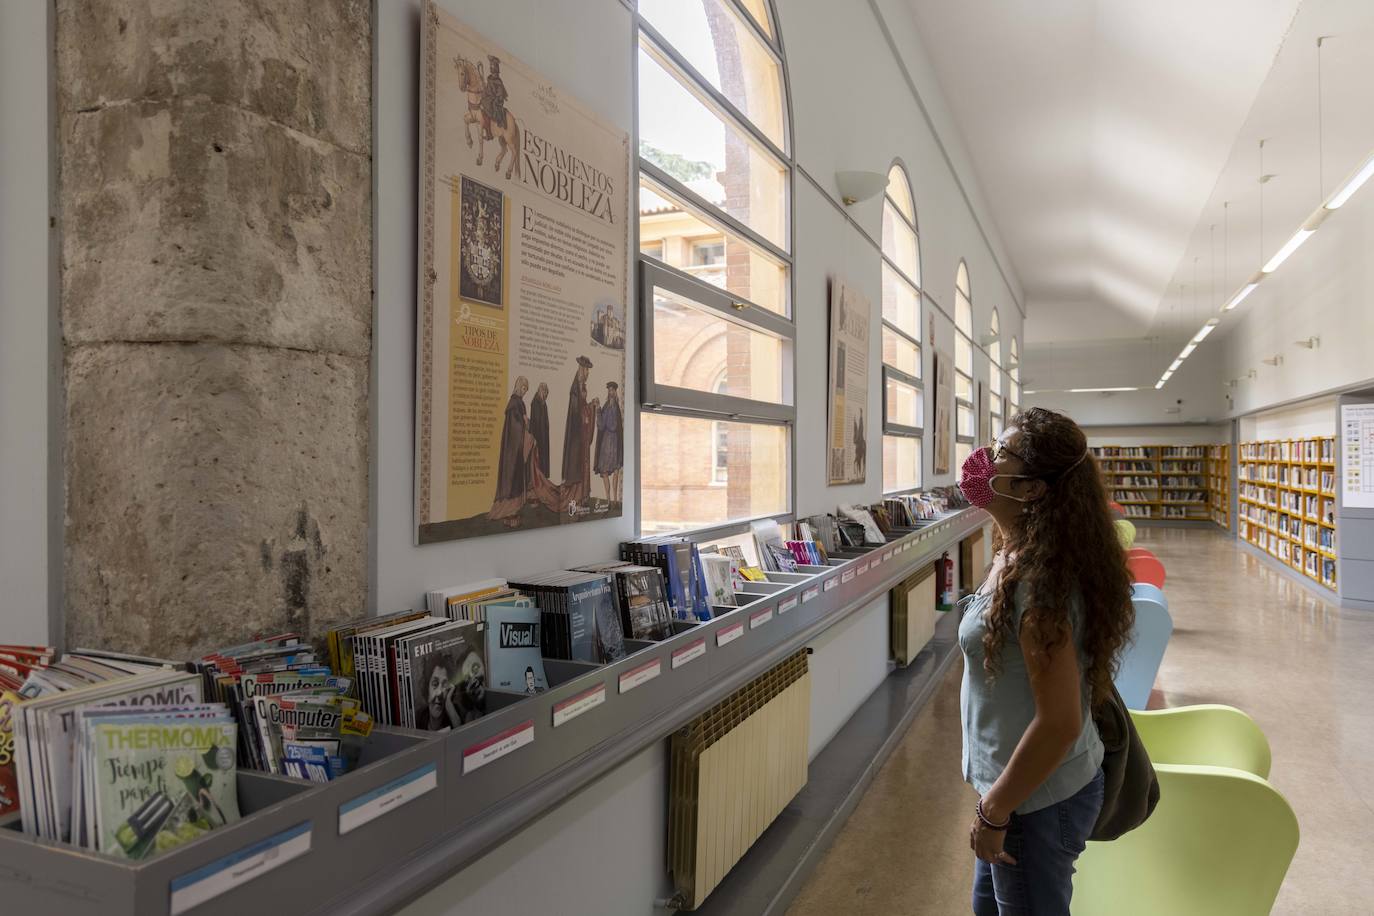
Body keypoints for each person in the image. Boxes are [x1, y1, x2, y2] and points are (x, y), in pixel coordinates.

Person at [956, 407, 1134, 915]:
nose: (984, 461)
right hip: (1015, 790)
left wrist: (995, 812)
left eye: (1002, 453)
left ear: (1032, 489)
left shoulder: (1039, 583)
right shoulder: (1018, 552)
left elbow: (1059, 723)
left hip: (1035, 799)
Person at [488, 377, 531, 526]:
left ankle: (514, 510)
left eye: (526, 389)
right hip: (512, 449)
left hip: (518, 448)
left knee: (517, 478)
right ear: (519, 387)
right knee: (511, 478)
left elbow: (523, 422)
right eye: (524, 388)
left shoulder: (520, 403)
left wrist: (526, 422)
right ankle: (507, 512)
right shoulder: (514, 403)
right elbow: (515, 426)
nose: (525, 392)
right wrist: (524, 422)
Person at [561, 356, 595, 507]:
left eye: (588, 369)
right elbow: (578, 413)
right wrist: (589, 409)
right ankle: (576, 498)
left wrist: (591, 406)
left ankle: (583, 496)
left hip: (582, 435)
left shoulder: (581, 387)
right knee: (578, 465)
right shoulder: (575, 389)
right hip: (577, 436)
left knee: (584, 463)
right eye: (586, 369)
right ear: (581, 369)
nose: (587, 372)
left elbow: (583, 408)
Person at [593, 381, 623, 506]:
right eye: (609, 390)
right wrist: (598, 408)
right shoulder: (606, 406)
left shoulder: (615, 407)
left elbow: (614, 425)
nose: (610, 393)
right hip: (606, 443)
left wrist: (609, 413)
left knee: (616, 470)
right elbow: (600, 425)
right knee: (604, 472)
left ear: (615, 392)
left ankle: (615, 499)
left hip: (614, 442)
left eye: (612, 390)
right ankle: (608, 499)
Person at [416, 658, 463, 731]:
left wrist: (449, 705)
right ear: (426, 688)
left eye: (444, 685)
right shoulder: (419, 718)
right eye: (435, 684)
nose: (439, 693)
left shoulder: (456, 713)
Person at [480, 55, 507, 141]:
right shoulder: (490, 78)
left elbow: (500, 93)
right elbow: (489, 90)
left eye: (492, 66)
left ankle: (489, 133)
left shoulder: (497, 81)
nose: (491, 67)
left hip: (496, 100)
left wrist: (496, 98)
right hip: (490, 98)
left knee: (485, 103)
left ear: (496, 68)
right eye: (490, 65)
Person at [530, 381, 551, 478]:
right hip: (538, 435)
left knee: (543, 457)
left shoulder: (543, 403)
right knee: (537, 457)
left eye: (546, 392)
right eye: (544, 392)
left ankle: (543, 478)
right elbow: (535, 421)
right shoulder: (535, 402)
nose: (546, 394)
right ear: (540, 391)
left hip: (543, 435)